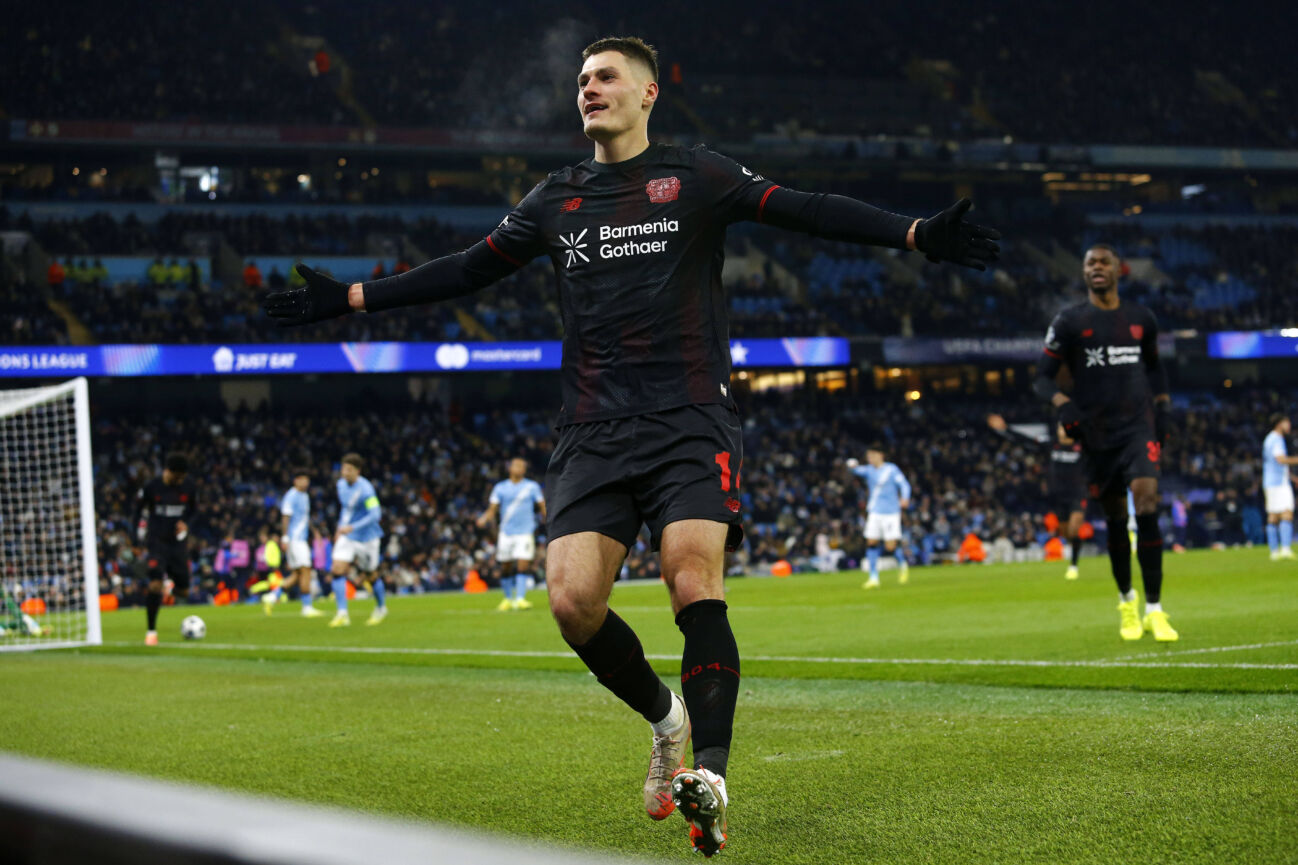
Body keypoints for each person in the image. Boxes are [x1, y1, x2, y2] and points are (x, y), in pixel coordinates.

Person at [265, 36, 999, 856]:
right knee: (572, 602)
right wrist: (355, 297)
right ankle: (666, 719)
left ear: (648, 95)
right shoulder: (555, 198)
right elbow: (470, 270)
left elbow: (809, 208)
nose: (590, 89)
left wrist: (917, 233)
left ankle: (712, 775)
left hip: (688, 417)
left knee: (692, 579)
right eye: (582, 80)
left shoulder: (698, 176)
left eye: (606, 76)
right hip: (591, 430)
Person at [1035, 244, 1176, 642]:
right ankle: (1126, 602)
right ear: (1084, 273)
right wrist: (1063, 404)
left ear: (1118, 269)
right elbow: (1042, 377)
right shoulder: (1069, 322)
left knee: (1147, 501)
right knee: (1115, 518)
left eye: (1103, 263)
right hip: (1096, 434)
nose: (1096, 268)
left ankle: (1155, 608)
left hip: (1138, 428)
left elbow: (1156, 369)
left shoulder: (1140, 319)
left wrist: (1163, 410)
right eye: (1090, 264)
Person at [987, 414, 1088, 579]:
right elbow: (1026, 440)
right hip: (1058, 497)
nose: (1061, 430)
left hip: (1077, 494)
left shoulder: (1082, 448)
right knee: (1067, 533)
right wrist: (1006, 428)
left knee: (1074, 527)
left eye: (1065, 427)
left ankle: (1074, 565)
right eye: (1060, 427)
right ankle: (1073, 552)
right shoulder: (1052, 446)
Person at [132, 452, 197, 645]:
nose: (179, 481)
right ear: (167, 472)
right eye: (176, 477)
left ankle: (169, 588)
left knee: (184, 592)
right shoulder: (152, 487)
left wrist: (186, 522)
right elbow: (137, 513)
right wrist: (136, 541)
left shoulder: (189, 486)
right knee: (154, 584)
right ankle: (151, 632)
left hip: (177, 544)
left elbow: (194, 510)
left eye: (182, 478)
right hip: (157, 542)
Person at [475, 457, 546, 611]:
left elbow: (542, 505)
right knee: (506, 566)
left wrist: (550, 518)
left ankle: (520, 599)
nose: (519, 468)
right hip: (506, 532)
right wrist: (484, 518)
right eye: (516, 465)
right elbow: (492, 509)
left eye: (522, 466)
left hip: (525, 531)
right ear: (510, 468)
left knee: (523, 564)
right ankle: (507, 598)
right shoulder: (500, 488)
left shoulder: (531, 487)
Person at [329, 453, 387, 627]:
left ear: (357, 471)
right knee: (337, 569)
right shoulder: (340, 485)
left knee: (370, 575)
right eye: (343, 469)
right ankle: (342, 613)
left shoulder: (367, 490)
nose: (344, 472)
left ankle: (381, 607)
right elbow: (346, 510)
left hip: (367, 538)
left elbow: (375, 515)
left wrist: (352, 527)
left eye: (349, 469)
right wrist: (340, 528)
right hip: (347, 536)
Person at [845, 444, 911, 589]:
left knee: (890, 546)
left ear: (880, 455)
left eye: (872, 455)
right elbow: (856, 470)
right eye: (868, 456)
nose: (870, 459)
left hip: (891, 512)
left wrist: (905, 497)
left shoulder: (891, 470)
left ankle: (902, 564)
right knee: (871, 542)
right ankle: (873, 577)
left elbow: (904, 485)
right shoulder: (869, 471)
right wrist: (851, 465)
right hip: (875, 511)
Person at [265, 468, 325, 616]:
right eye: (302, 479)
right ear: (295, 481)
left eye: (307, 479)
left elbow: (305, 517)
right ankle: (307, 607)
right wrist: (285, 537)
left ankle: (272, 597)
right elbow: (286, 517)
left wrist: (314, 531)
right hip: (295, 539)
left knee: (298, 574)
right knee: (306, 570)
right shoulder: (291, 496)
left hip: (301, 538)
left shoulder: (304, 496)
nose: (306, 482)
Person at [1263, 414, 1298, 561]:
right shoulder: (1277, 439)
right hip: (1278, 483)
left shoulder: (1268, 439)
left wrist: (1293, 478)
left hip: (1270, 482)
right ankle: (1285, 548)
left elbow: (1274, 464)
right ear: (1279, 424)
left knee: (1272, 516)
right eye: (1286, 422)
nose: (1288, 426)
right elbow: (1280, 459)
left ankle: (1274, 551)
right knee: (1286, 513)